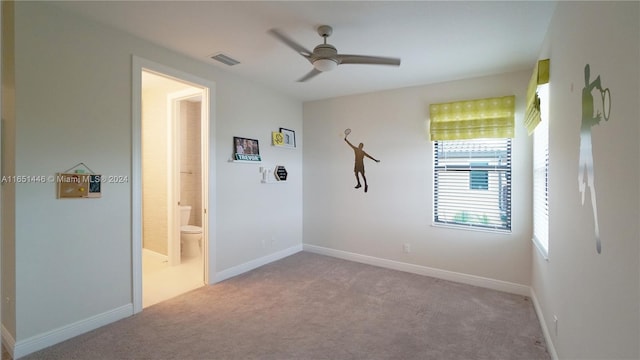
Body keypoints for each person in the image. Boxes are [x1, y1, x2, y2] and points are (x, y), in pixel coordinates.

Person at [579, 64, 607, 254]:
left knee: (589, 181)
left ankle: (592, 226)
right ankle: (585, 224)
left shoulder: (586, 90)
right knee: (585, 182)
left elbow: (595, 84)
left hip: (585, 137)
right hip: (585, 138)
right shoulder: (584, 90)